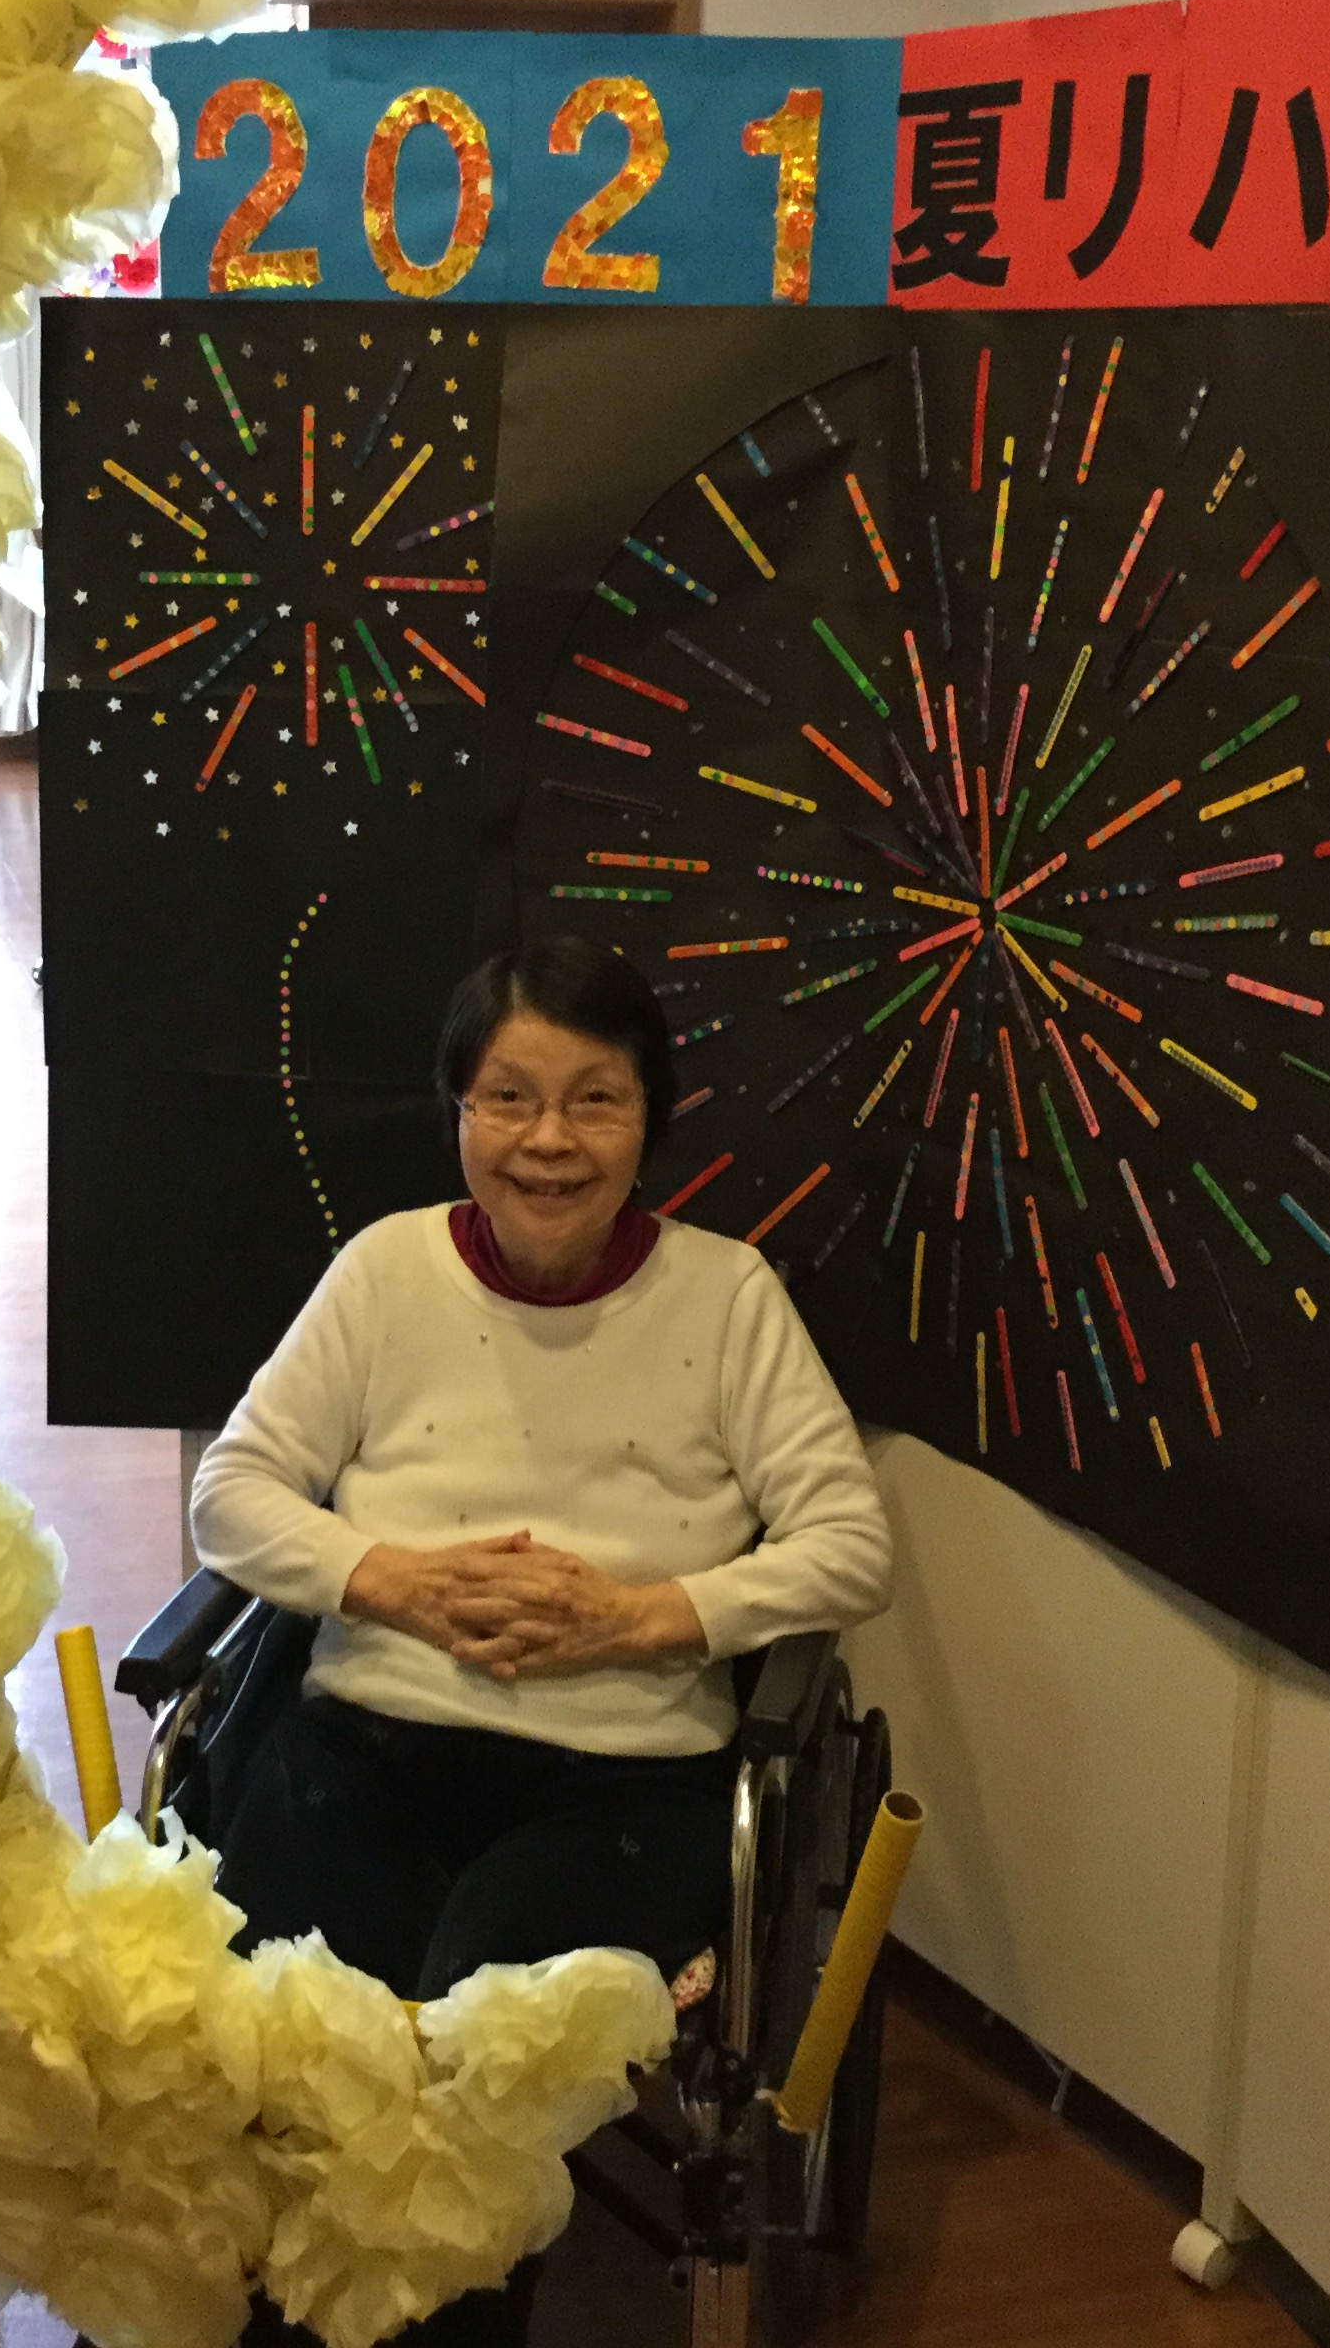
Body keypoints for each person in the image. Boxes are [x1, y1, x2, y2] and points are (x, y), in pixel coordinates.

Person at [189, 938, 895, 2348]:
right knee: (299, 2044)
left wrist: (642, 1616)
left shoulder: (727, 1298)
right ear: (459, 1110)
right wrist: (392, 1583)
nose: (548, 1141)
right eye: (508, 1098)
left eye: (595, 1100)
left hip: (622, 1778)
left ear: (649, 1120)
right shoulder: (386, 1272)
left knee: (477, 2072)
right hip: (370, 1741)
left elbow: (849, 1545)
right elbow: (232, 1496)